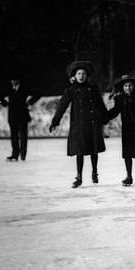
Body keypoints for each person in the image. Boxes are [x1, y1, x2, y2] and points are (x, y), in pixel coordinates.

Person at [49, 60, 109, 188]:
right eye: (79, 74)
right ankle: (79, 176)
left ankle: (94, 172)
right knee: (80, 151)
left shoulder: (93, 89)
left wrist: (105, 117)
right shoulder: (71, 90)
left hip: (92, 123)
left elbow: (100, 105)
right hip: (79, 125)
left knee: (94, 150)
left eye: (83, 74)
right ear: (74, 76)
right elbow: (62, 106)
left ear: (87, 76)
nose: (81, 76)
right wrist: (55, 121)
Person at [0, 74, 40, 161]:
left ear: (18, 81)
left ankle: (23, 155)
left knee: (23, 136)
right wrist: (4, 103)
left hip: (23, 115)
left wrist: (29, 102)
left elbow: (38, 94)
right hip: (12, 116)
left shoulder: (24, 88)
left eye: (14, 80)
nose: (13, 82)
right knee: (14, 136)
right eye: (12, 80)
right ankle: (15, 155)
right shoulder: (9, 88)